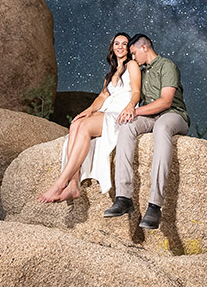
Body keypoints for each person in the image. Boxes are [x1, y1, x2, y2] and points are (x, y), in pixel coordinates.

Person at [37, 32, 141, 203]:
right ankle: (73, 185)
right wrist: (88, 110)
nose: (120, 47)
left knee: (84, 128)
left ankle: (60, 182)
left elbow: (136, 92)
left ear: (129, 48)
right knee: (76, 124)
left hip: (121, 112)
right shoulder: (111, 74)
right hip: (107, 111)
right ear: (112, 48)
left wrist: (130, 106)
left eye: (124, 43)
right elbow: (102, 97)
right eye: (117, 43)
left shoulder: (132, 66)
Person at [103, 34, 189, 230]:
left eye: (133, 53)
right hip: (150, 116)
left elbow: (166, 101)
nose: (132, 58)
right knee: (127, 127)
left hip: (173, 114)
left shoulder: (167, 66)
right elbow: (130, 94)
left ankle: (154, 205)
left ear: (144, 48)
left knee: (162, 127)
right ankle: (124, 197)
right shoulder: (142, 71)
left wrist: (134, 111)